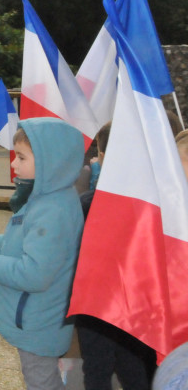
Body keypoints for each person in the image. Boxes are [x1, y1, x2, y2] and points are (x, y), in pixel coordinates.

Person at [0, 118, 84, 390]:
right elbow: (26, 240)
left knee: (41, 381)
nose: (13, 164)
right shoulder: (46, 197)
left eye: (21, 157)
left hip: (39, 321)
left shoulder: (52, 210)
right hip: (37, 317)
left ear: (49, 162)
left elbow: (35, 273)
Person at [75, 122, 155, 390]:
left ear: (103, 154)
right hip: (134, 303)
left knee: (97, 369)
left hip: (96, 304)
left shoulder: (87, 204)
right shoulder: (152, 205)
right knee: (133, 366)